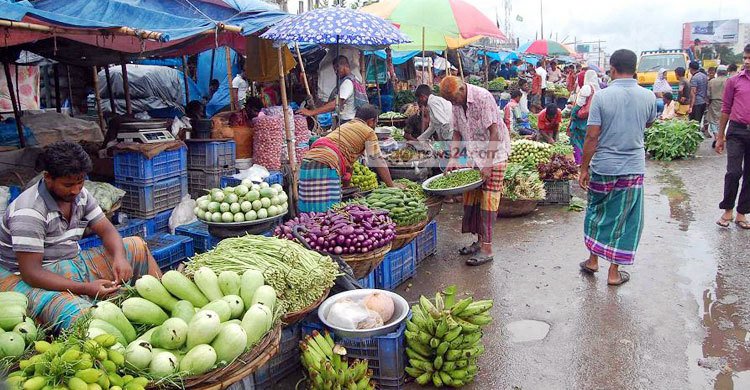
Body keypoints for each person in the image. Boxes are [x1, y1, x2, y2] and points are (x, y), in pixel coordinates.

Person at [0, 142, 160, 329]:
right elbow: (31, 273)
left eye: (80, 182)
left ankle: (160, 303)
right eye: (68, 184)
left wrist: (120, 257)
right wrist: (86, 288)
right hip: (25, 278)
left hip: (68, 261)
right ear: (48, 178)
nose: (75, 190)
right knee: (79, 314)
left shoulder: (80, 195)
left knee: (136, 246)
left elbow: (107, 230)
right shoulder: (29, 211)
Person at [578, 49, 657, 286]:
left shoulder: (602, 97)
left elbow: (592, 137)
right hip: (632, 168)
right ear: (635, 70)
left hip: (604, 167)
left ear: (612, 69)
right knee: (626, 218)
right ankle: (614, 273)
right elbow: (649, 122)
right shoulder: (649, 97)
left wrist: (584, 168)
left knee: (596, 212)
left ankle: (593, 260)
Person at [441, 76, 511, 266]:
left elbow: (494, 133)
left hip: (494, 155)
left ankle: (487, 249)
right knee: (473, 199)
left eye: (454, 99)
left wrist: (488, 164)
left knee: (489, 202)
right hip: (474, 155)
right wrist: (453, 157)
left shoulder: (482, 97)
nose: (453, 103)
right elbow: (456, 132)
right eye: (450, 101)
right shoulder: (456, 103)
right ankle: (479, 242)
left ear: (462, 90)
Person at [299, 105, 396, 212]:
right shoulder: (368, 131)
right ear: (371, 121)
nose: (374, 126)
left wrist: (346, 188)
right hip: (327, 162)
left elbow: (348, 164)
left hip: (307, 160)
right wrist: (391, 187)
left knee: (308, 207)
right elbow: (377, 160)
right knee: (328, 211)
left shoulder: (346, 126)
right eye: (375, 123)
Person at [715, 44, 750, 229]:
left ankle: (741, 213)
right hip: (736, 130)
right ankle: (727, 209)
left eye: (749, 58)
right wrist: (720, 136)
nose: (746, 61)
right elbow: (725, 109)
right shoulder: (734, 81)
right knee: (733, 172)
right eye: (745, 58)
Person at [299, 56, 368, 124]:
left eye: (337, 68)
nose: (336, 72)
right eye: (334, 69)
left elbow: (336, 103)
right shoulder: (354, 79)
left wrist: (312, 112)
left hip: (347, 121)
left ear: (346, 66)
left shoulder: (347, 83)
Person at [569, 70, 600, 164]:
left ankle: (579, 162)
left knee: (576, 140)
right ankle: (588, 162)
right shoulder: (598, 89)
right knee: (589, 141)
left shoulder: (586, 88)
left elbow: (579, 104)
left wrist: (573, 115)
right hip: (593, 119)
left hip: (582, 120)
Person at [707, 65, 729, 146]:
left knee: (712, 120)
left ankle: (716, 136)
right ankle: (722, 136)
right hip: (726, 103)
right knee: (724, 120)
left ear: (717, 72)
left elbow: (708, 94)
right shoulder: (729, 80)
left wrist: (708, 103)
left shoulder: (712, 81)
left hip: (714, 102)